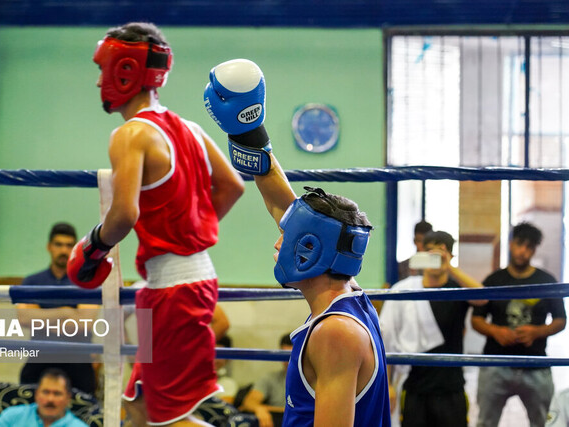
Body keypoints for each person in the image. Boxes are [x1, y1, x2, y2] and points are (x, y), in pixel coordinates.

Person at [66, 22, 245, 427]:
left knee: (170, 420)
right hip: (178, 284)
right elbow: (232, 186)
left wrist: (92, 246)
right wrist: (189, 233)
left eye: (103, 70)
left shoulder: (130, 134)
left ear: (125, 71)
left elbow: (124, 214)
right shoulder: (191, 130)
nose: (99, 82)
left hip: (174, 293)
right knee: (139, 407)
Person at [204, 58, 390, 426]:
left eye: (286, 238)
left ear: (310, 253)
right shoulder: (350, 297)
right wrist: (247, 129)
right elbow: (282, 204)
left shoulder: (336, 332)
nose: (277, 244)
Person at [380, 230, 486, 427]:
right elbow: (387, 340)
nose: (435, 258)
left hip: (451, 388)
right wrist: (388, 386)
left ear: (450, 256)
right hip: (415, 388)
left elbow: (483, 298)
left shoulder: (457, 290)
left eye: (441, 253)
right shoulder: (405, 290)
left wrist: (451, 268)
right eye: (430, 252)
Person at [471, 222, 566, 427]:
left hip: (535, 364)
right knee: (485, 423)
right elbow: (476, 319)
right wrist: (495, 331)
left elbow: (561, 320)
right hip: (495, 364)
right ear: (511, 244)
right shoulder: (494, 280)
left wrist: (537, 331)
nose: (523, 251)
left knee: (545, 423)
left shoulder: (546, 281)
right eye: (520, 244)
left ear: (534, 250)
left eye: (529, 247)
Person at [17, 222, 98, 395]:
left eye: (69, 245)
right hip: (41, 356)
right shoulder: (32, 282)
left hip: (78, 358)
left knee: (84, 409)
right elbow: (24, 318)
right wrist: (67, 312)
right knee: (26, 397)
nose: (63, 250)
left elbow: (84, 324)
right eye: (59, 244)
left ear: (76, 248)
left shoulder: (87, 281)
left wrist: (41, 319)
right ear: (49, 247)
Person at [0, 368, 88, 427]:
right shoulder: (12, 416)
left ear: (68, 398)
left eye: (57, 393)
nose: (50, 399)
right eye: (45, 392)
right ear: (36, 395)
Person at [240, 333, 292, 427]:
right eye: (285, 355)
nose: (288, 361)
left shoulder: (312, 380)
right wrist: (259, 409)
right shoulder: (271, 378)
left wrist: (265, 408)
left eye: (291, 355)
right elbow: (249, 401)